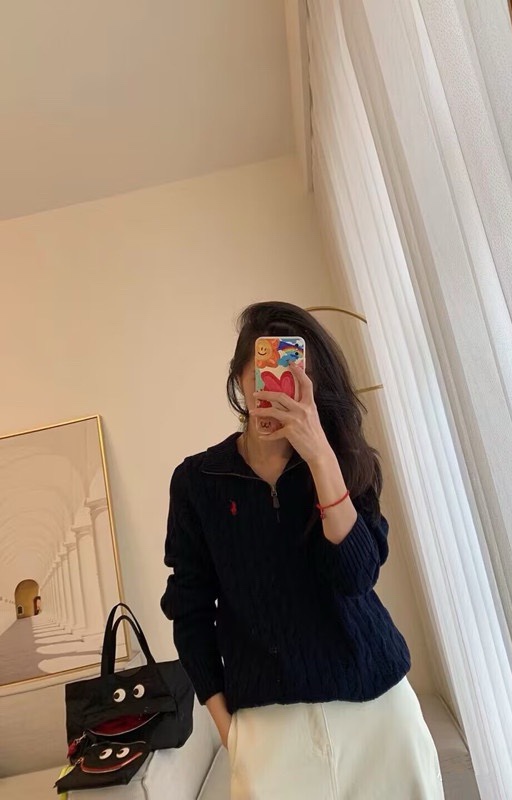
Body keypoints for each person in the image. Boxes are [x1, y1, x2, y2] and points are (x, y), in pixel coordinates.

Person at [160, 301, 444, 799]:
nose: (275, 389)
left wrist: (320, 457)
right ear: (240, 377)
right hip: (268, 731)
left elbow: (356, 577)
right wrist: (230, 731)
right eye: (263, 373)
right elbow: (190, 609)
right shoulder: (198, 482)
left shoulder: (346, 462)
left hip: (377, 712)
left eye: (295, 377)